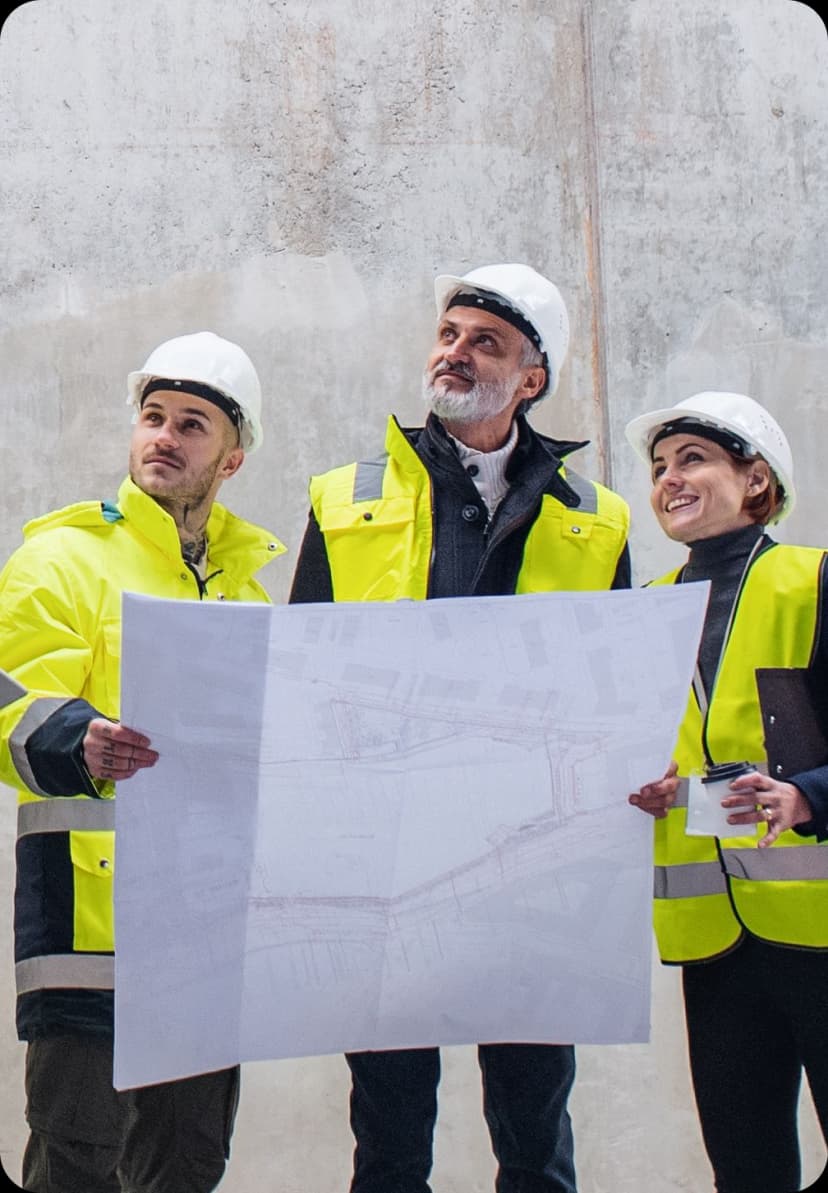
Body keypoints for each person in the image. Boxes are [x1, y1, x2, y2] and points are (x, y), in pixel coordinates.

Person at [290, 262, 666, 1193]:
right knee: (388, 1130)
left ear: (531, 379)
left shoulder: (597, 520)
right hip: (385, 863)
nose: (455, 352)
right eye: (449, 333)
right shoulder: (344, 497)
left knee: (535, 1129)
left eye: (485, 341)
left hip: (531, 862)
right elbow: (297, 677)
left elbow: (614, 696)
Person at [0, 331, 286, 1193]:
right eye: (152, 416)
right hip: (92, 925)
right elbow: (6, 699)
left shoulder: (246, 588)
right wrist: (75, 738)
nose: (163, 435)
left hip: (206, 934)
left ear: (231, 460)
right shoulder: (64, 555)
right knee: (77, 1162)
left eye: (191, 424)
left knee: (187, 1163)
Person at [625, 391, 828, 1193]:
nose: (669, 478)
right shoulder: (647, 612)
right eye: (660, 466)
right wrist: (651, 789)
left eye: (694, 459)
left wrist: (807, 795)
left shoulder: (812, 580)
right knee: (746, 1170)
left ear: (756, 480)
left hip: (819, 929)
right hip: (714, 944)